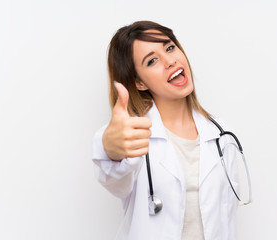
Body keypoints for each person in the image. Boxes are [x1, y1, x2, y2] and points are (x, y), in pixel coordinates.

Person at [92, 20, 239, 240]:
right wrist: (110, 149)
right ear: (139, 83)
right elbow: (114, 178)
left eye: (170, 47)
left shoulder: (222, 134)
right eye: (152, 61)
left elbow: (227, 220)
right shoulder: (133, 136)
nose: (170, 61)